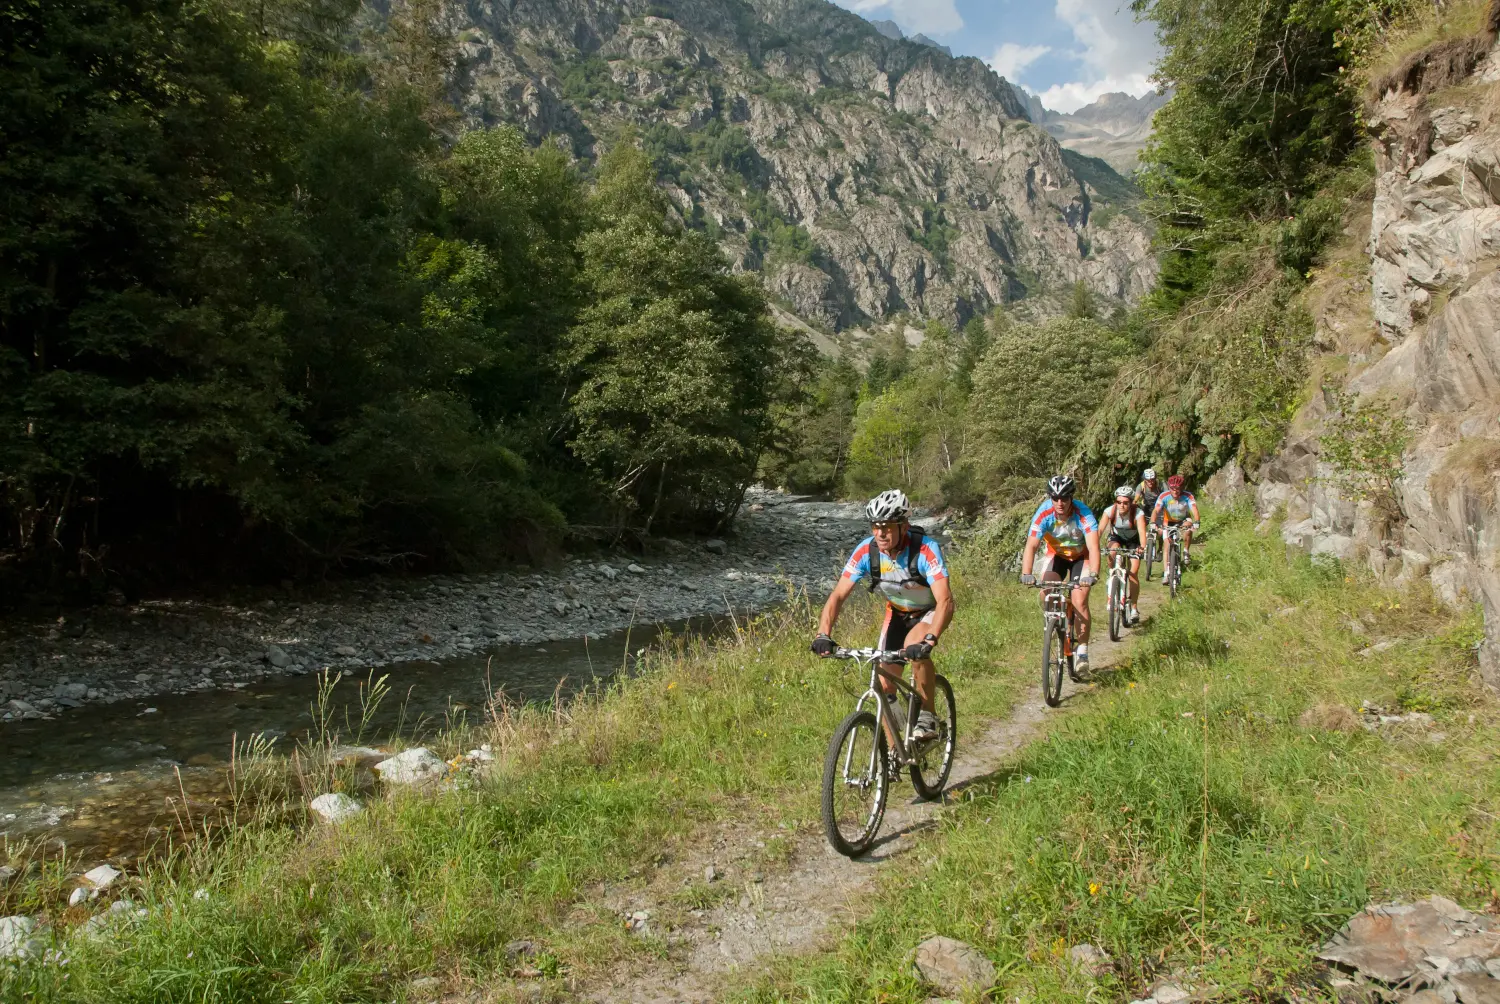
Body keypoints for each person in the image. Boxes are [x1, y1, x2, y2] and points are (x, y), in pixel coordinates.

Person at [812, 489, 954, 742]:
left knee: (915, 646)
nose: (880, 533)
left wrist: (931, 639)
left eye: (887, 527)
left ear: (904, 526)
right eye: (875, 526)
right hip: (897, 614)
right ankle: (893, 753)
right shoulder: (866, 551)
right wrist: (824, 634)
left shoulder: (925, 550)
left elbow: (945, 600)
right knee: (884, 685)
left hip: (929, 612)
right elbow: (837, 597)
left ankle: (928, 714)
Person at [1019, 475, 1101, 673]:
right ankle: (1057, 624)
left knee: (1080, 600)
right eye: (1055, 498)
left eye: (1064, 498)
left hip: (1082, 557)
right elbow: (1031, 545)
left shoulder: (1083, 513)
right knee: (1046, 591)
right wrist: (1026, 573)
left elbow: (1094, 545)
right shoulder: (1044, 513)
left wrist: (1094, 573)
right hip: (1057, 556)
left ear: (1071, 497)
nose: (1059, 503)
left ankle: (1082, 650)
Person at [1100, 484, 1148, 626]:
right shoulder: (1110, 511)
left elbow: (1142, 533)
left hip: (1133, 541)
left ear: (1131, 502)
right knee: (1112, 551)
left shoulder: (1137, 513)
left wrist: (1142, 547)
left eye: (1125, 502)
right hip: (1117, 538)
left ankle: (1133, 607)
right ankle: (1112, 575)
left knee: (1133, 572)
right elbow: (1100, 530)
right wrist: (1094, 546)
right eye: (1119, 502)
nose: (1122, 505)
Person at [1151, 474, 1201, 578]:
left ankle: (1186, 551)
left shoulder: (1188, 496)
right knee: (1167, 545)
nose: (1175, 491)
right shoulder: (1164, 496)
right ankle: (1166, 573)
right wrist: (1152, 522)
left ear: (1182, 488)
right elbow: (1156, 510)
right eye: (1172, 489)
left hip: (1183, 520)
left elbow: (1194, 510)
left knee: (1188, 529)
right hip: (1168, 521)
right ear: (1169, 488)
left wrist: (1197, 521)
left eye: (1178, 489)